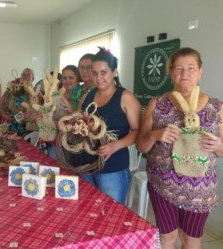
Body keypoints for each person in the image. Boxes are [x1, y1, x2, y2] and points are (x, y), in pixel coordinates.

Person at [136, 47, 223, 249]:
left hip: (200, 188)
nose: (185, 74)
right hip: (163, 184)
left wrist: (219, 145)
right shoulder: (157, 104)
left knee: (191, 240)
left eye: (191, 68)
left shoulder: (216, 107)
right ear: (170, 72)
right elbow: (141, 145)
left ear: (200, 72)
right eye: (178, 68)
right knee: (167, 237)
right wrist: (155, 135)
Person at [78, 48, 141, 205]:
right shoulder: (88, 95)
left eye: (103, 72)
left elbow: (137, 131)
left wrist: (115, 146)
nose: (98, 78)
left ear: (115, 72)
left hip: (113, 169)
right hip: (85, 165)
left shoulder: (125, 97)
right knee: (87, 212)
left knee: (110, 217)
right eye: (94, 73)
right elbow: (78, 120)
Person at [48, 65, 79, 160]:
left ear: (77, 79)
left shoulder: (83, 96)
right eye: (64, 78)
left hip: (74, 145)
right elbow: (48, 116)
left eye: (71, 77)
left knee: (69, 173)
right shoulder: (55, 95)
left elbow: (82, 121)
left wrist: (71, 110)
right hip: (55, 142)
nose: (67, 81)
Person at [0, 68, 34, 136]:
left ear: (33, 78)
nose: (26, 77)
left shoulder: (35, 92)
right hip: (11, 126)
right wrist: (4, 115)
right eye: (24, 75)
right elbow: (0, 103)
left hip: (26, 129)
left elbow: (36, 110)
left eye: (28, 75)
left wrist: (22, 118)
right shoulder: (13, 88)